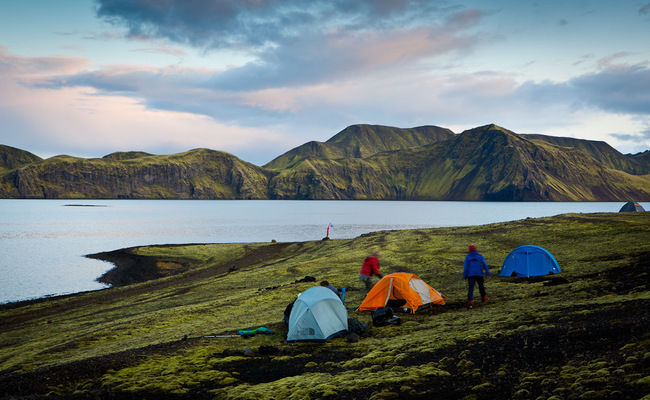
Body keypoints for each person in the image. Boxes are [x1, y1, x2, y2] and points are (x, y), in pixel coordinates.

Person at [463, 245, 491, 309]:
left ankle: (470, 301)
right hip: (479, 274)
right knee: (481, 286)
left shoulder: (468, 258)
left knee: (471, 289)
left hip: (471, 275)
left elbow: (466, 268)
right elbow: (485, 265)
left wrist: (464, 277)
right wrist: (488, 273)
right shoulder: (480, 256)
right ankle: (483, 297)